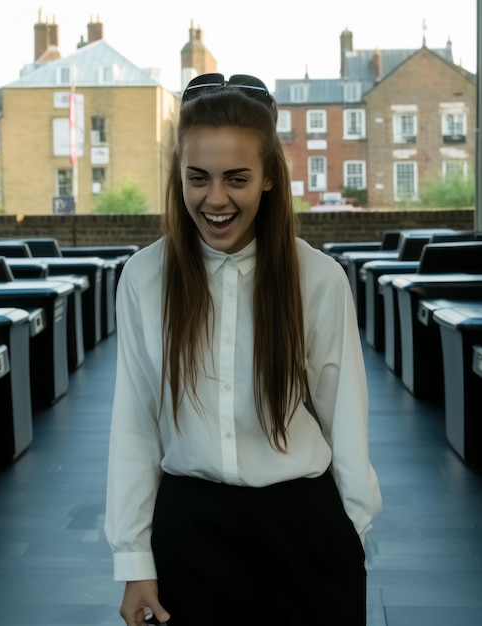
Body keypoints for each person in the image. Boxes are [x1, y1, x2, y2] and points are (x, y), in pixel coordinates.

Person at [104, 73, 382, 626]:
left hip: (303, 531)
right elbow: (135, 424)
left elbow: (344, 420)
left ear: (270, 179)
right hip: (190, 531)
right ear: (178, 177)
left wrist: (349, 535)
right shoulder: (143, 277)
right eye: (198, 178)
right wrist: (134, 559)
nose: (216, 198)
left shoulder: (319, 278)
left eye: (237, 178)